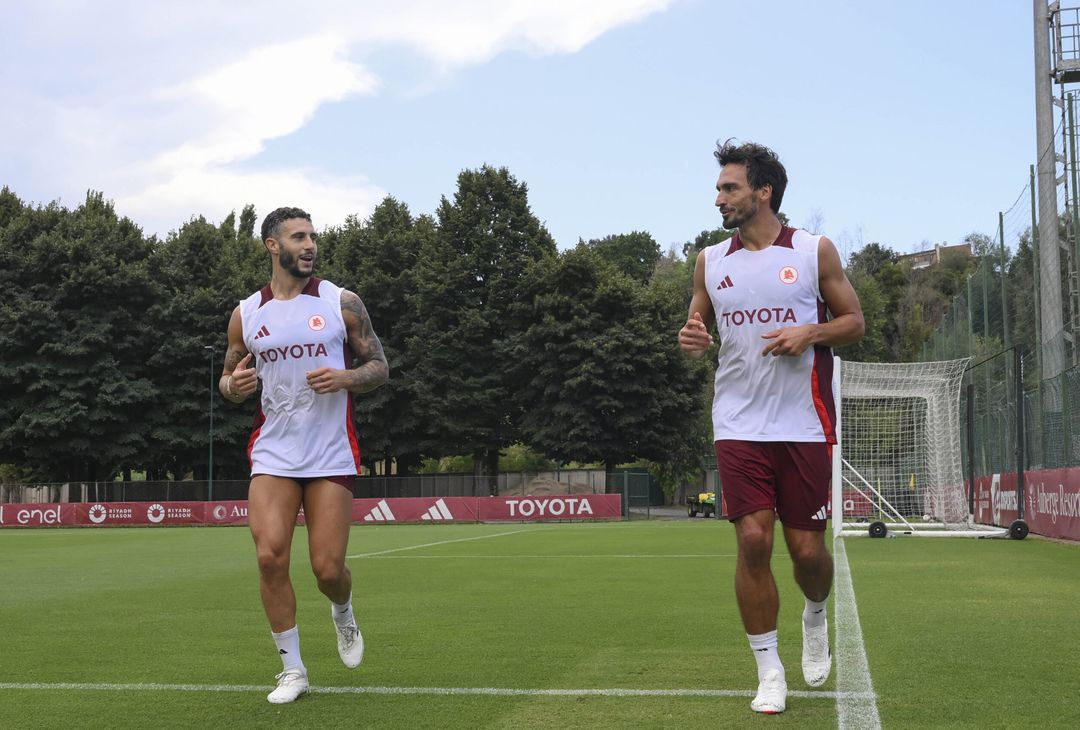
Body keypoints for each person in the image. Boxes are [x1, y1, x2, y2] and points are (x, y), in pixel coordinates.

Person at [678, 141, 864, 714]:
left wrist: (809, 333)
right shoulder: (711, 260)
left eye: (729, 188)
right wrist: (692, 338)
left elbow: (854, 322)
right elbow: (696, 324)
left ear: (764, 192)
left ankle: (814, 614)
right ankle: (769, 670)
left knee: (807, 554)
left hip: (804, 424)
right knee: (753, 540)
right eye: (718, 188)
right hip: (736, 421)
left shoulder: (813, 252)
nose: (719, 198)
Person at [219, 206, 389, 704]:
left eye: (313, 236)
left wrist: (346, 377)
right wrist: (235, 385)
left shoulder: (342, 302)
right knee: (271, 555)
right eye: (298, 237)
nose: (310, 244)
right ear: (273, 246)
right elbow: (229, 380)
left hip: (332, 451)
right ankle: (293, 670)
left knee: (327, 570)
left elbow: (379, 365)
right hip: (273, 450)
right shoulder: (247, 313)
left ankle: (343, 612)